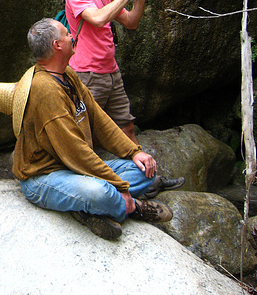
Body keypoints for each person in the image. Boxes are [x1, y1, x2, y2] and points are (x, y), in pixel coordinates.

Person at [12, 18, 173, 240]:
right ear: (57, 45)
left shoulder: (67, 74)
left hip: (74, 168)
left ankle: (86, 208)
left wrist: (134, 151)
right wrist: (120, 187)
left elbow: (99, 119)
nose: (72, 37)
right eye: (67, 34)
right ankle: (133, 207)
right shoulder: (45, 90)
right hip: (44, 176)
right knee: (100, 192)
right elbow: (75, 151)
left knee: (143, 170)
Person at [65, 0, 183, 196]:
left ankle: (149, 180)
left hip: (110, 72)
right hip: (86, 74)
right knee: (84, 132)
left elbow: (130, 22)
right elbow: (97, 18)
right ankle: (87, 186)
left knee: (126, 126)